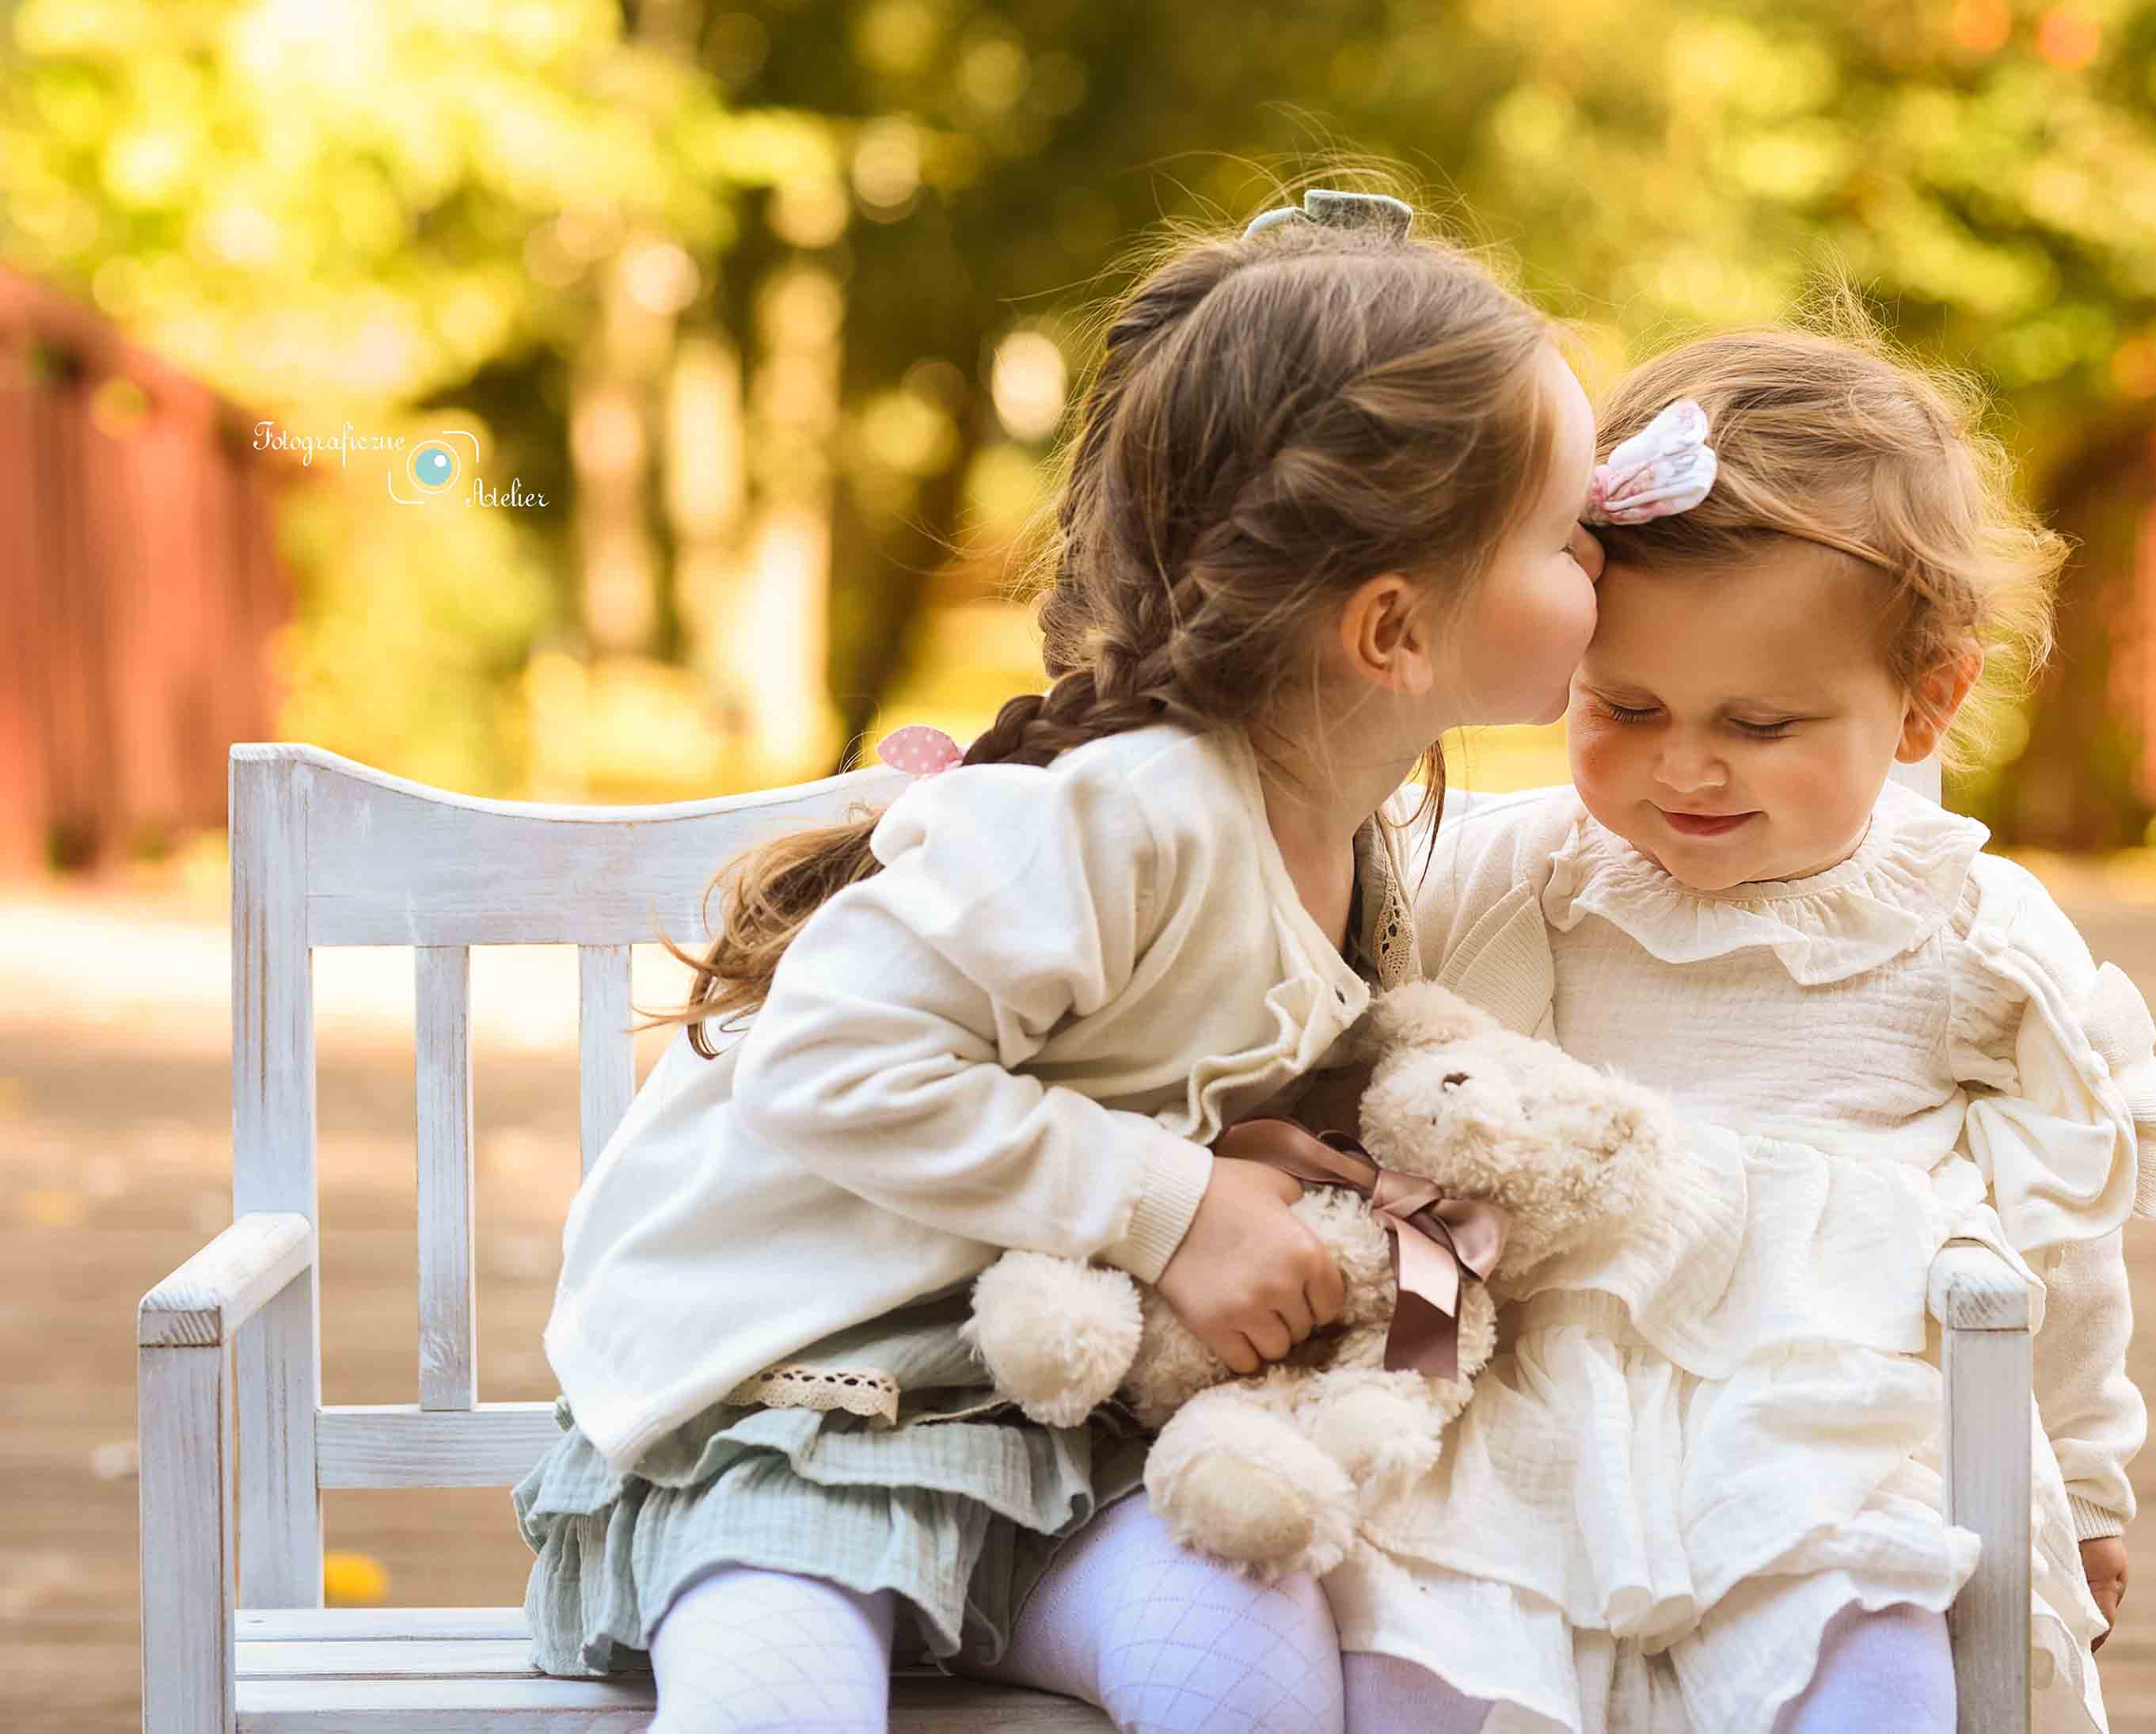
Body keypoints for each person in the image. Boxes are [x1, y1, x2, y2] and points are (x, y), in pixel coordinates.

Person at [511, 187, 1606, 1734]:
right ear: (1390, 630)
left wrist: (1288, 1173)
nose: (1603, 570)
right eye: (1567, 537)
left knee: (1245, 1664)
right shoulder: (1117, 818)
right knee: (778, 1694)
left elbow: (1169, 1083)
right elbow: (830, 1068)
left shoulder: (1355, 833)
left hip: (1060, 1437)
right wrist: (1169, 1209)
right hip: (792, 1414)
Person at [1332, 304, 2156, 1734]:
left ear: (1923, 706)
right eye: (1624, 704)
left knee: (1866, 1655)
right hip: (1535, 1398)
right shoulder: (1512, 876)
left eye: (1760, 724)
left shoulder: (1968, 933)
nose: (1686, 766)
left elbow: (2063, 1239)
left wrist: (2089, 1472)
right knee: (1425, 1647)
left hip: (1827, 1424)